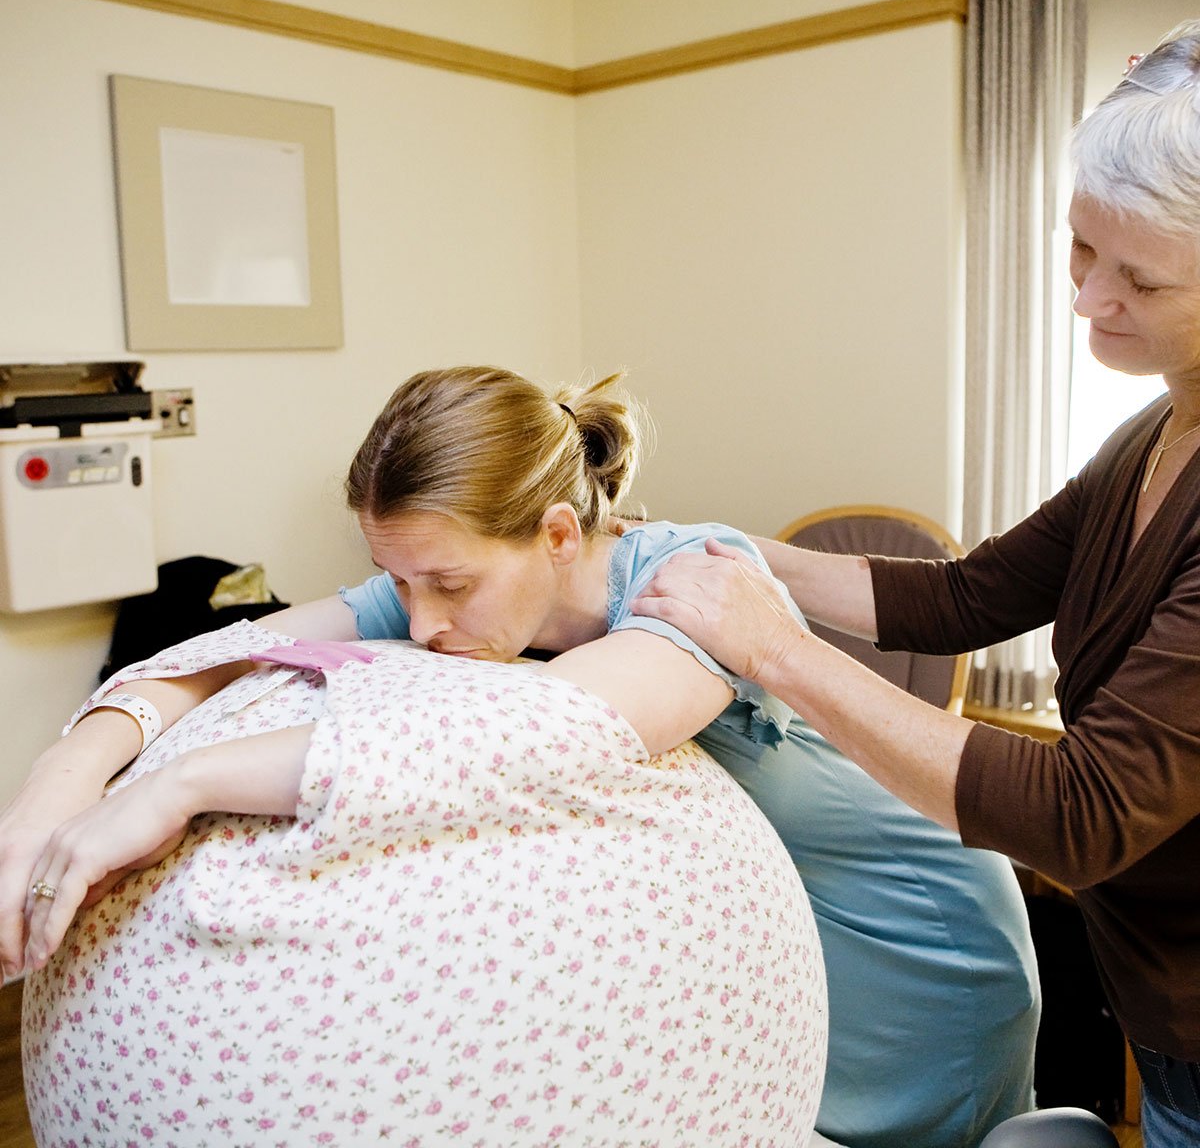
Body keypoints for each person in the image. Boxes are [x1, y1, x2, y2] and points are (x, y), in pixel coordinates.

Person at [13, 366, 1036, 1148]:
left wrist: (184, 786)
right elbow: (209, 660)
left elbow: (539, 728)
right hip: (764, 943)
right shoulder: (448, 597)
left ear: (556, 533)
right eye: (394, 581)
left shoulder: (689, 581)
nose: (418, 623)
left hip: (908, 933)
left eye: (447, 584)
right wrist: (45, 810)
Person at [630, 22, 1200, 1148]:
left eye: (1137, 277)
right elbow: (968, 594)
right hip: (1151, 980)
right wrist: (731, 548)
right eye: (1079, 251)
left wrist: (775, 648)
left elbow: (1079, 815)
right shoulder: (1155, 430)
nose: (1088, 301)